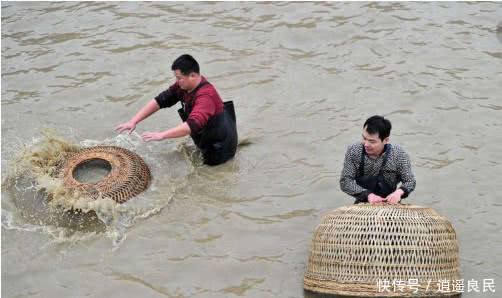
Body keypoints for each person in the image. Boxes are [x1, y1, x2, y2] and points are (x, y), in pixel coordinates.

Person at [115, 54, 238, 166]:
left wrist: (161, 135)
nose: (176, 81)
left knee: (210, 172)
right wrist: (134, 121)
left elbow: (192, 124)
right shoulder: (183, 85)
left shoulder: (206, 96)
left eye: (179, 78)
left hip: (220, 146)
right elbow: (160, 100)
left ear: (193, 76)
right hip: (208, 132)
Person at [339, 115, 416, 204]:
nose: (366, 144)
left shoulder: (399, 154)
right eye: (364, 138)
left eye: (372, 141)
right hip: (363, 202)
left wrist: (398, 193)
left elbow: (410, 181)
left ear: (385, 140)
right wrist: (368, 195)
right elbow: (345, 181)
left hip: (390, 203)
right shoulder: (354, 151)